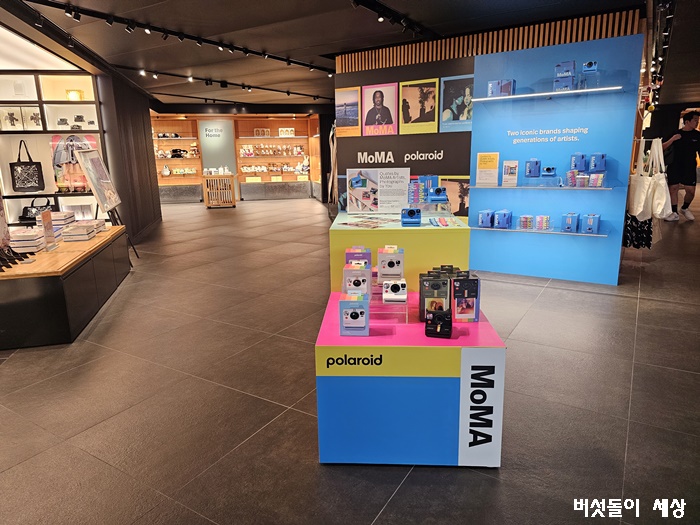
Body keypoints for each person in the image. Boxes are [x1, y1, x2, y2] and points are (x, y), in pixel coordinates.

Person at [663, 110, 700, 221]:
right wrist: (673, 139)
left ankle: (684, 208)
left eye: (698, 120)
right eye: (695, 120)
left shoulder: (698, 135)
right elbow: (662, 147)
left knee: (691, 191)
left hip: (690, 166)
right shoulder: (676, 133)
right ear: (687, 121)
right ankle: (674, 212)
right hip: (675, 164)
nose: (697, 122)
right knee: (673, 188)